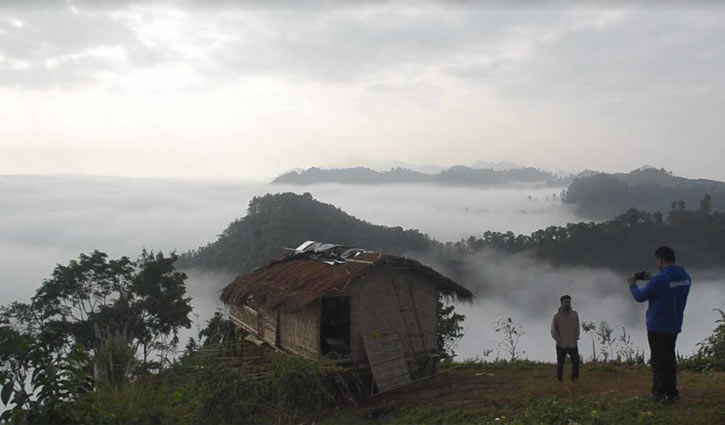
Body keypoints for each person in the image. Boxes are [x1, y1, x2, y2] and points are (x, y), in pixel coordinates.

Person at [628, 246, 691, 404]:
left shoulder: (660, 280)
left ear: (660, 260)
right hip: (674, 324)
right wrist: (653, 280)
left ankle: (660, 393)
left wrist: (632, 284)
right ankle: (672, 392)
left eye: (657, 261)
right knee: (669, 359)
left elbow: (640, 296)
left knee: (658, 362)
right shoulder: (685, 277)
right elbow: (668, 290)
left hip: (657, 326)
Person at [551, 294, 580, 382]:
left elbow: (577, 326)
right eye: (566, 302)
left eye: (569, 302)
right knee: (560, 363)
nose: (567, 304)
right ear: (561, 303)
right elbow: (553, 330)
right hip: (561, 345)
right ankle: (559, 380)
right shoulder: (557, 316)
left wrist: (576, 337)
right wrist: (558, 339)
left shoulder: (574, 314)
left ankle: (575, 378)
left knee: (576, 362)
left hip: (572, 344)